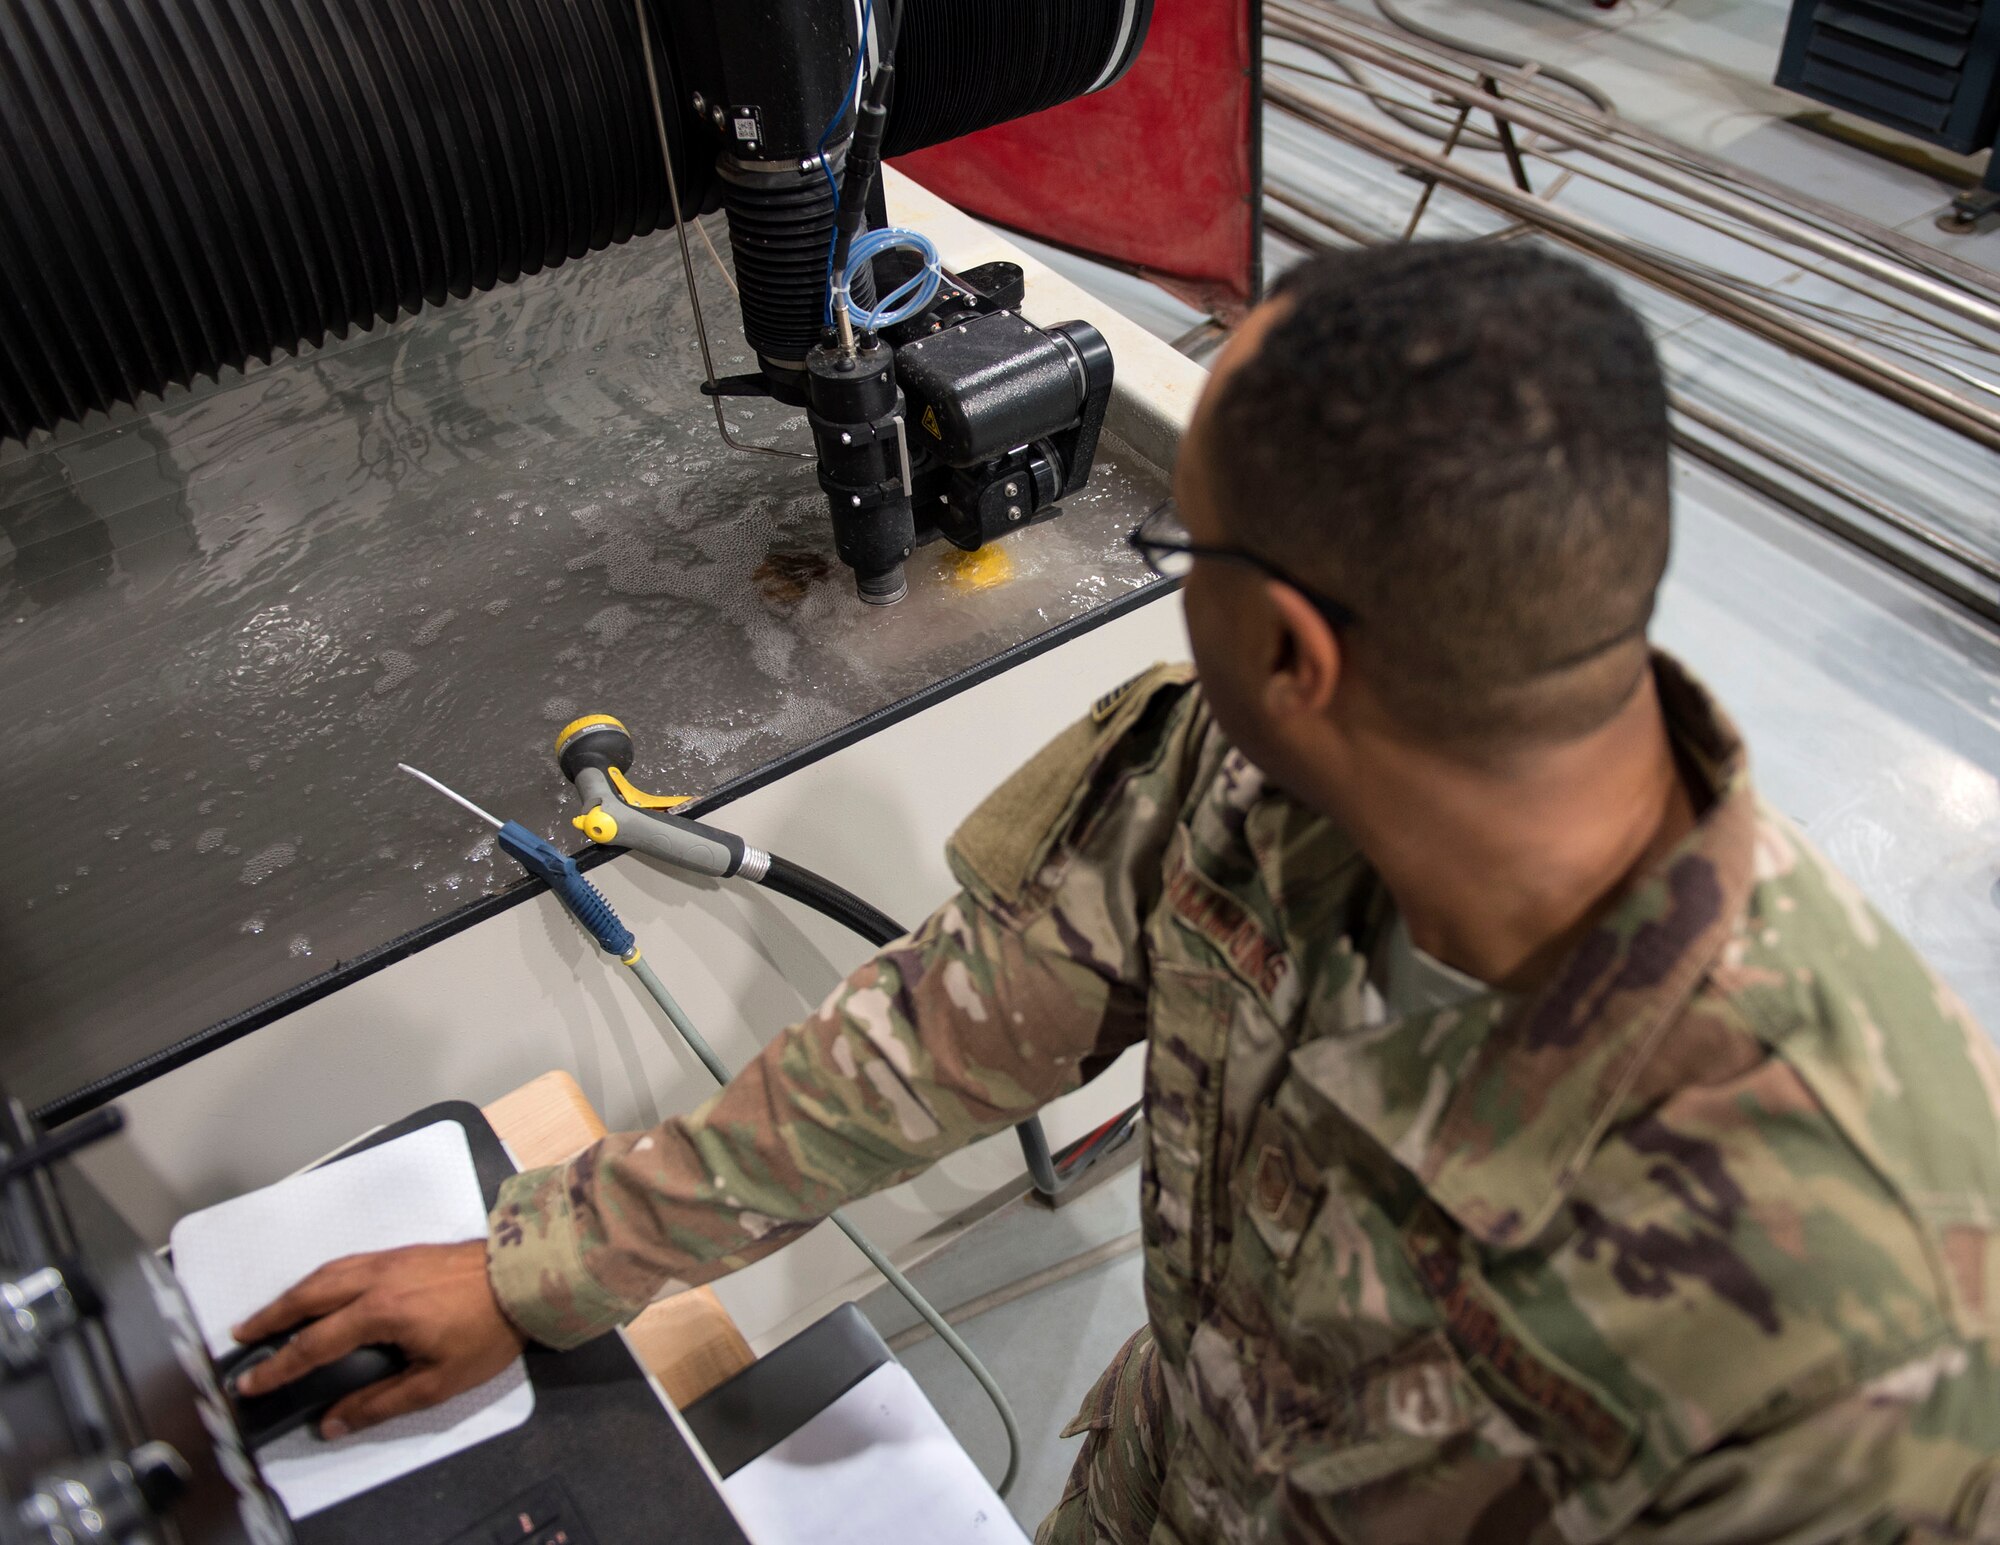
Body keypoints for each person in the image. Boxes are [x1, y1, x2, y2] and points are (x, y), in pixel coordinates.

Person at [231, 243, 2000, 1540]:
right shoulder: (1242, 779)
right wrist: (538, 1268)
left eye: (1185, 555)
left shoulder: (1868, 1307)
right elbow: (928, 1045)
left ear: (1294, 648)